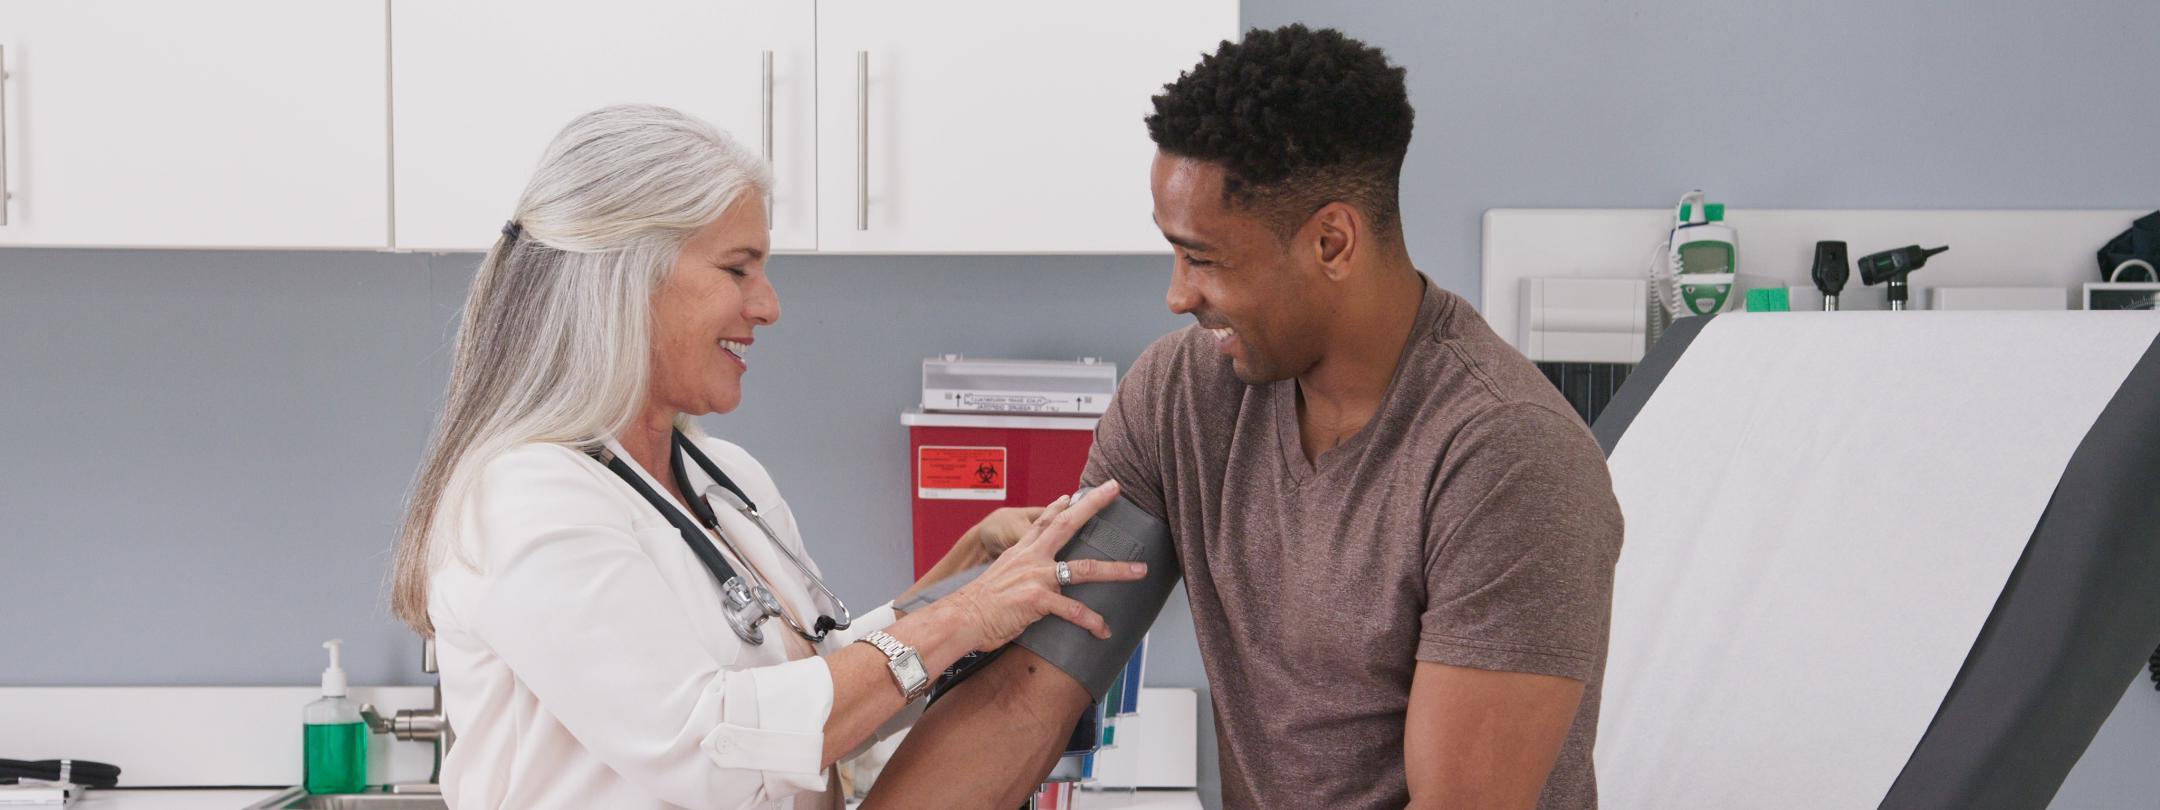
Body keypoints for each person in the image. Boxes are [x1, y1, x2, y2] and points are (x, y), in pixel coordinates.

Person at [878, 24, 1625, 810]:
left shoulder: (1509, 458)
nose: (1177, 294)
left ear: (1331, 241)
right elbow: (1025, 695)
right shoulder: (1180, 400)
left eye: (1204, 258)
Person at [384, 104, 1147, 810]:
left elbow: (829, 680)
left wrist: (976, 569)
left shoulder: (728, 482)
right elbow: (704, 746)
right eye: (737, 268)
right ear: (625, 278)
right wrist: (964, 615)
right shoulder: (524, 495)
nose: (768, 305)